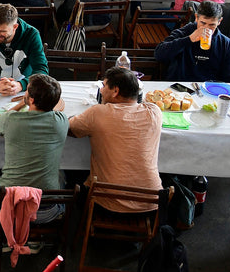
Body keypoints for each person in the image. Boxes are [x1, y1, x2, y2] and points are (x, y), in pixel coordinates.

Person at [0, 74, 69, 227]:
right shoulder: (62, 121)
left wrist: (21, 104)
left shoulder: (12, 120)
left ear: (31, 100)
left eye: (27, 91)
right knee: (61, 173)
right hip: (49, 208)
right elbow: (54, 110)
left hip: (13, 205)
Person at [69, 66, 163, 215]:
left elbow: (68, 128)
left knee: (72, 177)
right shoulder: (155, 112)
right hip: (152, 204)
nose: (101, 90)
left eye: (104, 86)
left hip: (106, 204)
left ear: (115, 91)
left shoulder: (97, 113)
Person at [154, 1, 230, 83]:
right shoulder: (184, 33)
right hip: (181, 86)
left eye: (212, 25)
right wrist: (189, 39)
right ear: (196, 17)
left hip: (209, 87)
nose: (206, 28)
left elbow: (229, 79)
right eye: (203, 23)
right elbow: (159, 55)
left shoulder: (226, 44)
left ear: (219, 21)